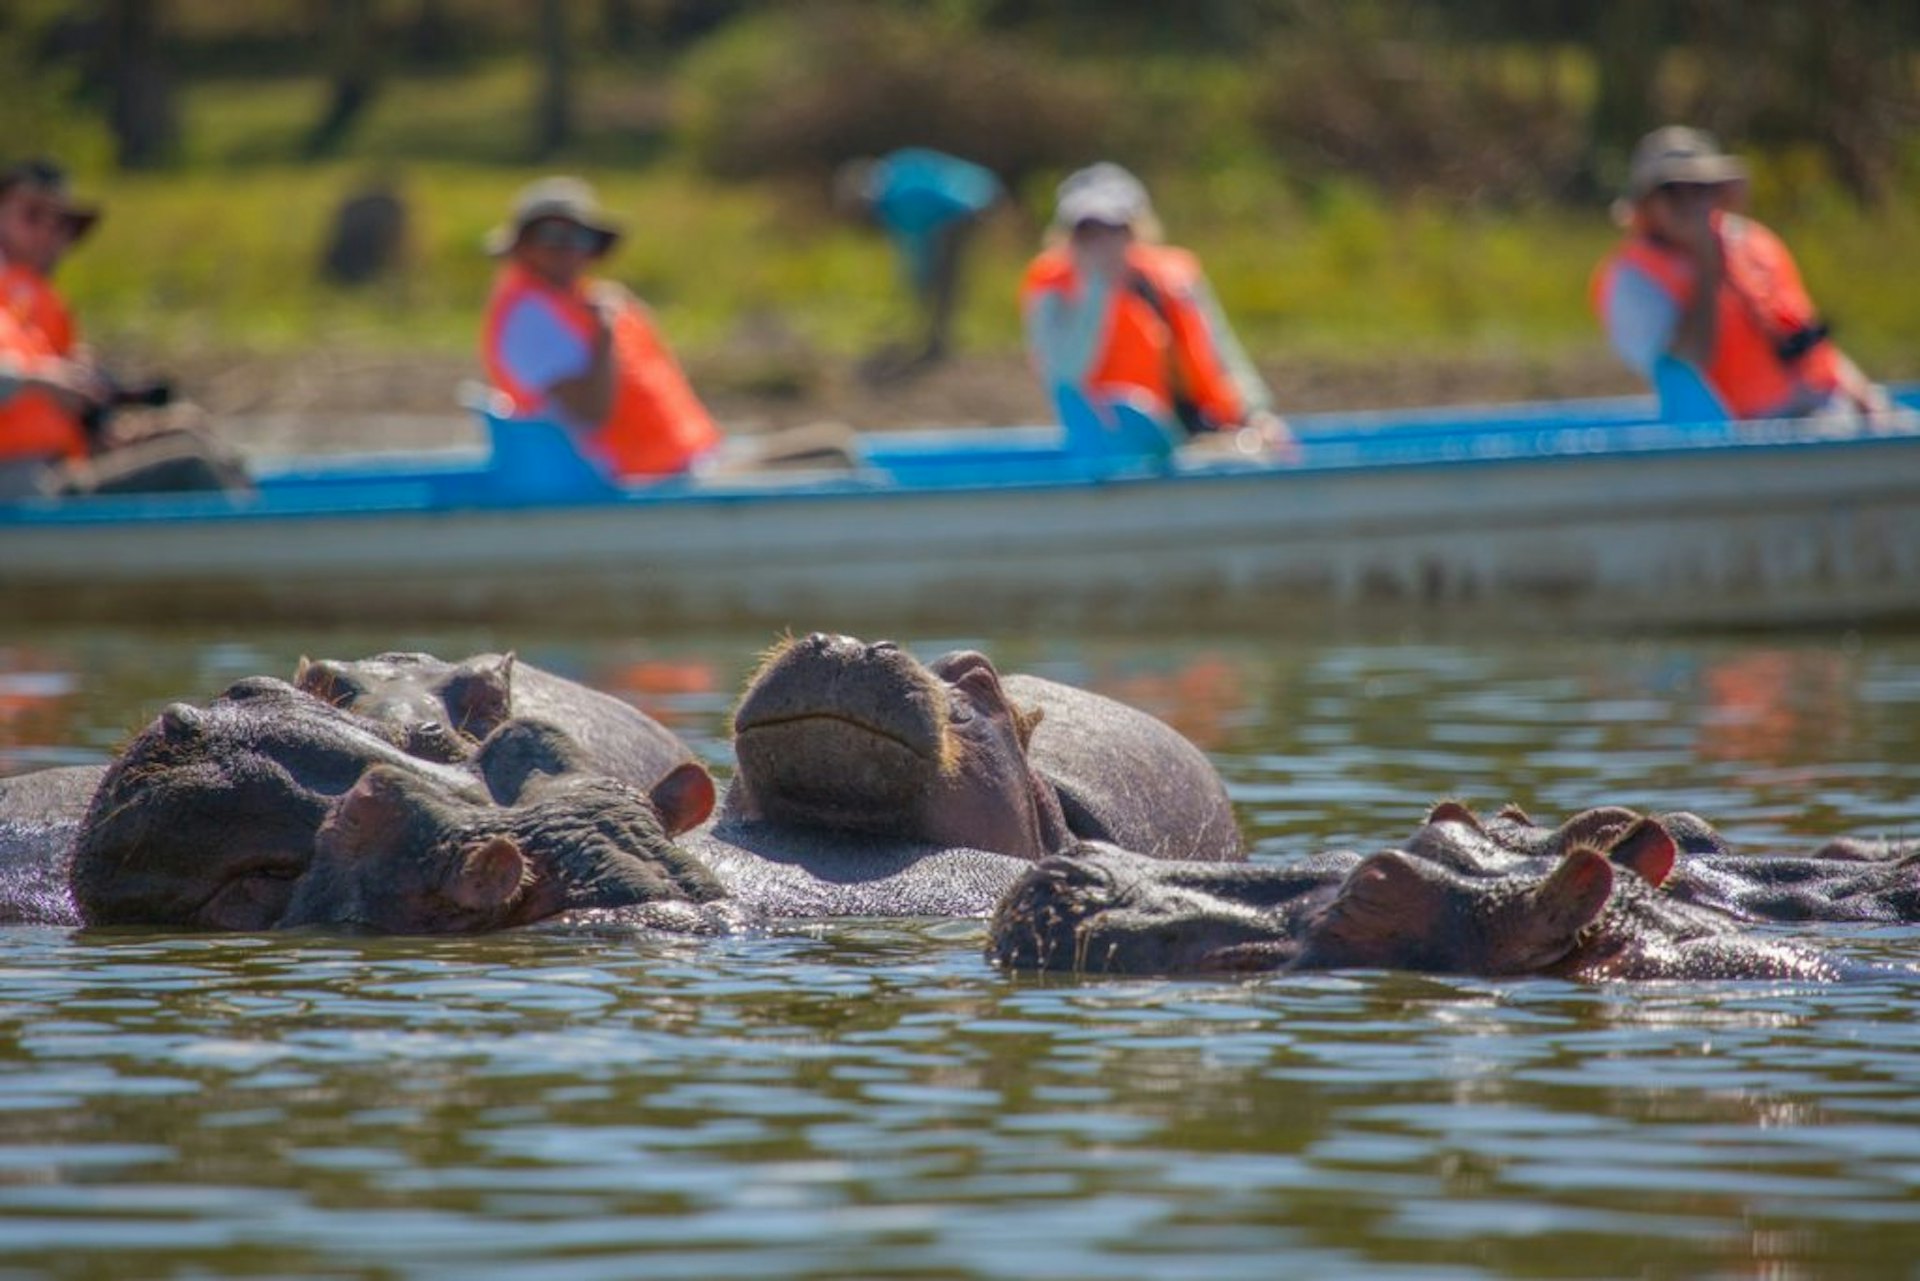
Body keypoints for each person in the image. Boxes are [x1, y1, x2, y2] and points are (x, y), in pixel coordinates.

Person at [1591, 126, 1888, 424]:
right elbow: (1686, 362)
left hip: (1821, 410)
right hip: (1738, 437)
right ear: (1647, 203)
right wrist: (1707, 264)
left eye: (1701, 187)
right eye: (1672, 190)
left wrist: (1863, 395)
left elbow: (1808, 341)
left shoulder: (1755, 244)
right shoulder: (1632, 279)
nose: (1690, 201)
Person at [0, 158, 246, 500]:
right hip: (24, 488)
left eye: (61, 225)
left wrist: (99, 424)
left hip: (57, 470)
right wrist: (39, 379)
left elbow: (58, 406)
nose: (48, 234)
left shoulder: (27, 306)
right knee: (192, 465)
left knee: (191, 429)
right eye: (32, 216)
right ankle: (254, 548)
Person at [1020, 162, 1291, 461]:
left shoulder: (1173, 279)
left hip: (1196, 435)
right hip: (1113, 445)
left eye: (1114, 228)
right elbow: (1066, 372)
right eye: (1087, 231)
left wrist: (1257, 414)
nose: (1102, 241)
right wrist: (1097, 290)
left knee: (1256, 451)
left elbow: (1222, 353)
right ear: (1068, 236)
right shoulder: (1053, 293)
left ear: (1135, 230)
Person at [481, 176, 723, 481]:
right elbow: (588, 411)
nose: (567, 248)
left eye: (580, 237)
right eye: (552, 234)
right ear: (523, 245)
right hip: (612, 481)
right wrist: (605, 332)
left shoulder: (586, 299)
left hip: (670, 469)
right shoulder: (530, 318)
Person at [835, 148, 1002, 381]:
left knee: (943, 279)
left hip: (962, 212)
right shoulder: (895, 177)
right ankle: (932, 337)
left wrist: (919, 278)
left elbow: (917, 244)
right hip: (965, 205)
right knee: (938, 279)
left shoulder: (897, 197)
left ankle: (937, 341)